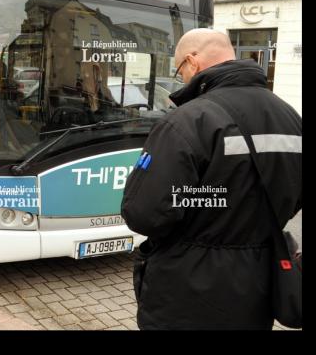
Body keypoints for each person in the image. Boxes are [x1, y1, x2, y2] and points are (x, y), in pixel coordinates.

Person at [121, 28, 302, 330]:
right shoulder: (291, 118)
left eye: (180, 71)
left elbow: (143, 213)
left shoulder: (188, 120)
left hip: (186, 291)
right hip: (256, 289)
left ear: (192, 62)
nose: (182, 80)